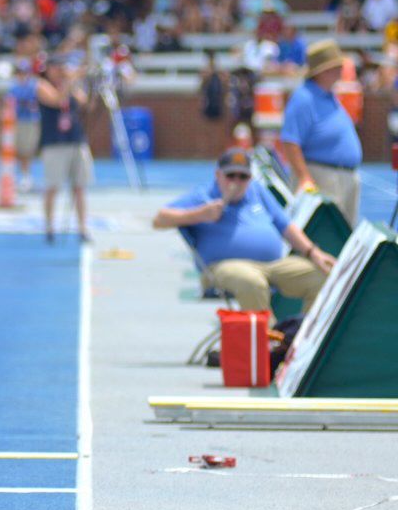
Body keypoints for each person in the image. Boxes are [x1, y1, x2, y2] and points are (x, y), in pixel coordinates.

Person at [153, 149, 335, 315]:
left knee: (321, 276)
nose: (236, 182)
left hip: (272, 264)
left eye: (243, 177)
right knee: (252, 282)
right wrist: (199, 214)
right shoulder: (204, 195)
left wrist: (313, 252)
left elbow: (285, 225)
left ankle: (299, 339)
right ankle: (268, 342)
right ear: (218, 175)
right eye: (230, 176)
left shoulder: (256, 191)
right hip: (223, 266)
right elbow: (159, 219)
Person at [278, 39, 363, 226]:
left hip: (341, 177)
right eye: (337, 66)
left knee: (343, 237)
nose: (341, 69)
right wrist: (304, 177)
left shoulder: (327, 95)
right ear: (324, 71)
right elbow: (290, 140)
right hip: (323, 177)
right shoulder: (303, 98)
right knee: (327, 235)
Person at [36, 59, 92, 242]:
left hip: (76, 140)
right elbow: (57, 100)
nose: (60, 71)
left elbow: (85, 104)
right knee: (53, 186)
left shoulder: (70, 86)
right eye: (56, 68)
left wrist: (77, 81)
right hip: (54, 143)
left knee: (79, 187)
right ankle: (49, 225)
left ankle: (82, 227)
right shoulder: (42, 86)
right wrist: (69, 81)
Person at [8, 59, 40, 193]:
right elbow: (10, 103)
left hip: (30, 122)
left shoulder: (34, 86)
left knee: (28, 150)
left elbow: (35, 103)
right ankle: (19, 176)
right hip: (17, 122)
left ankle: (26, 177)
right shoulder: (14, 88)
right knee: (17, 150)